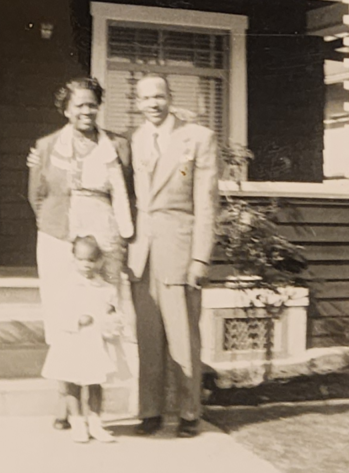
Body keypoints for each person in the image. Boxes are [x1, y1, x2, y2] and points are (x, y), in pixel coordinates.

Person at [28, 77, 134, 430]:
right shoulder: (45, 146)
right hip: (58, 240)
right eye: (79, 105)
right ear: (66, 109)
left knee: (101, 315)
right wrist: (57, 226)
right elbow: (37, 195)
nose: (86, 111)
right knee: (63, 317)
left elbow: (125, 193)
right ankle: (65, 405)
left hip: (103, 239)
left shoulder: (117, 145)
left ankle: (96, 413)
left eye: (91, 104)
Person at [127, 74, 219, 438]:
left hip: (180, 250)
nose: (153, 103)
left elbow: (207, 203)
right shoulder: (135, 139)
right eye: (146, 98)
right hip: (142, 253)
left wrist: (201, 258)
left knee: (183, 337)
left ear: (170, 98)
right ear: (137, 103)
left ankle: (189, 412)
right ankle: (149, 411)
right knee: (147, 336)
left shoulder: (198, 138)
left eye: (159, 96)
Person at [41, 235, 123, 443]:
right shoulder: (66, 286)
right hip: (73, 343)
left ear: (100, 261)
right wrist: (76, 320)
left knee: (96, 384)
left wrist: (111, 318)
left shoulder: (105, 288)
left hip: (95, 345)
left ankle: (95, 422)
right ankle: (78, 421)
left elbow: (114, 314)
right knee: (72, 384)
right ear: (74, 259)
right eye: (81, 260)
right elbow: (56, 314)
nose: (86, 265)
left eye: (91, 260)